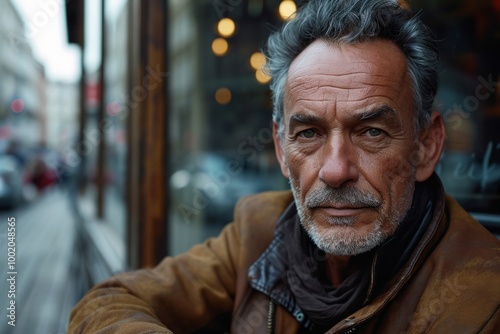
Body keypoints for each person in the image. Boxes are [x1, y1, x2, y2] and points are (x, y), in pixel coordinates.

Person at [68, 0, 500, 333]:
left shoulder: (483, 300)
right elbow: (110, 300)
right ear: (279, 147)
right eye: (308, 134)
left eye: (371, 132)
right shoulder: (258, 229)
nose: (334, 170)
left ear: (426, 145)